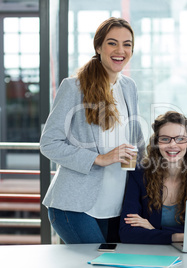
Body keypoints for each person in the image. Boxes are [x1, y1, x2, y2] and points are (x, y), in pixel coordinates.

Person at [40, 17, 144, 244]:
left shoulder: (129, 87)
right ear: (98, 47)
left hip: (117, 205)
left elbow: (137, 140)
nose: (120, 50)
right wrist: (99, 158)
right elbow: (49, 143)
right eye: (112, 43)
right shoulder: (74, 87)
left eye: (127, 44)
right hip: (75, 206)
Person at [119, 111, 187, 244]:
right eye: (165, 138)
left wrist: (154, 229)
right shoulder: (139, 175)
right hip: (149, 255)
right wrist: (178, 236)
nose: (173, 145)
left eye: (180, 138)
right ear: (156, 142)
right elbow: (127, 233)